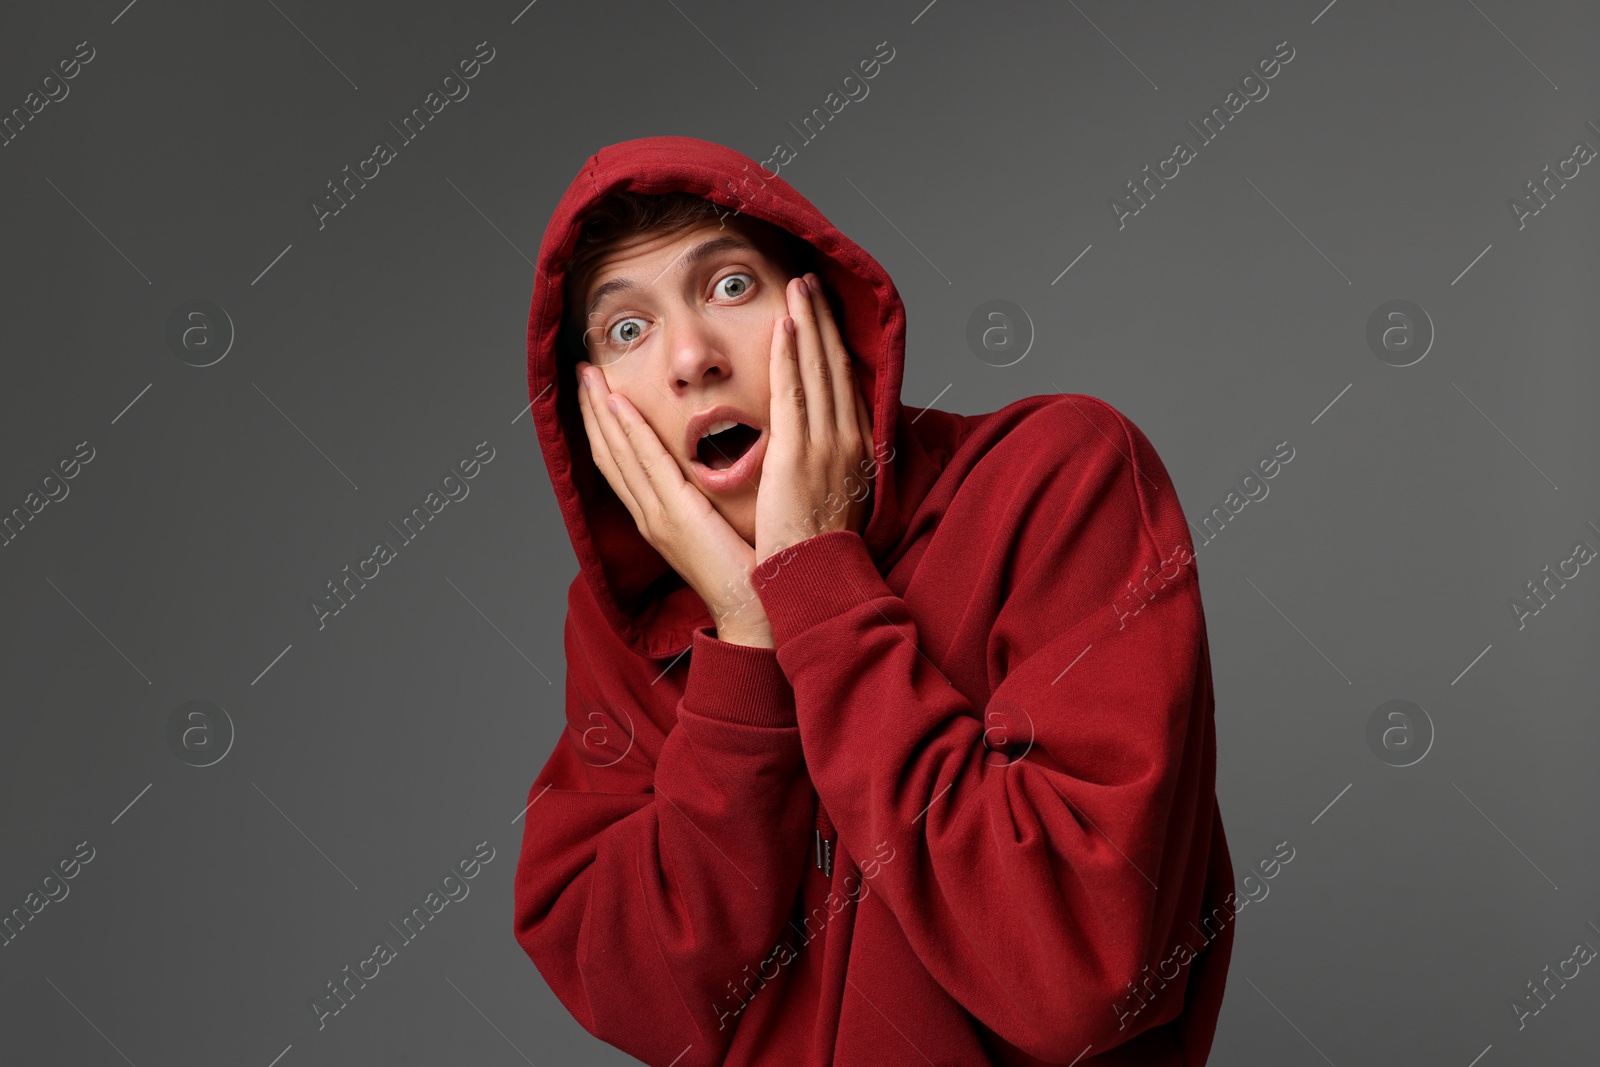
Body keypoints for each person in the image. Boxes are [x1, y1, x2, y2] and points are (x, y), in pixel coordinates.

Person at [512, 135, 1236, 1067]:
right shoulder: (627, 629)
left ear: (822, 312)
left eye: (730, 285)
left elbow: (1078, 975)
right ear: (593, 404)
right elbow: (645, 996)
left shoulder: (1058, 482)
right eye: (627, 329)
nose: (690, 356)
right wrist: (743, 639)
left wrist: (816, 578)